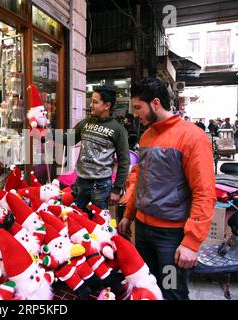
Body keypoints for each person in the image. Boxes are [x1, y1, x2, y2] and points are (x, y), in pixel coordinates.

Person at [118, 78, 216, 300]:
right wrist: (129, 214)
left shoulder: (192, 136)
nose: (135, 114)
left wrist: (191, 242)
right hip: (142, 232)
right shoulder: (146, 135)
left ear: (154, 103)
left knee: (171, 290)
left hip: (170, 239)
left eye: (137, 107)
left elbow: (204, 192)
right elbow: (140, 179)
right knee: (146, 287)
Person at [70, 86, 129, 216]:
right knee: (74, 219)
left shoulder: (118, 130)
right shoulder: (85, 123)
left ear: (107, 105)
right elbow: (68, 139)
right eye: (92, 101)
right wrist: (46, 132)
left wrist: (116, 189)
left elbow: (124, 162)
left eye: (95, 102)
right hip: (80, 182)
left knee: (99, 226)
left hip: (101, 187)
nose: (91, 105)